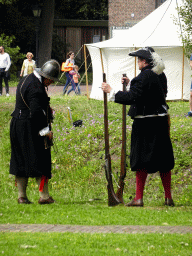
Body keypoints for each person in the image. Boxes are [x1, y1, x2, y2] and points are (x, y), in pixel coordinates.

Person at [101, 47, 175, 207]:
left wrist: (111, 91)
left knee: (140, 159)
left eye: (139, 60)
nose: (138, 62)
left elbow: (133, 97)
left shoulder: (143, 77)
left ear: (145, 61)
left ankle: (139, 198)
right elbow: (149, 92)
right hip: (160, 122)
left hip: (145, 123)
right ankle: (168, 197)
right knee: (163, 159)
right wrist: (131, 83)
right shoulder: (159, 75)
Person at [10, 59, 60, 204]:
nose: (51, 83)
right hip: (30, 126)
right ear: (46, 76)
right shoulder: (36, 88)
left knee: (20, 160)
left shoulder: (28, 78)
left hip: (17, 124)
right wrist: (46, 131)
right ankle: (44, 197)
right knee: (42, 159)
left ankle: (22, 196)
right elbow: (36, 112)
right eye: (51, 80)